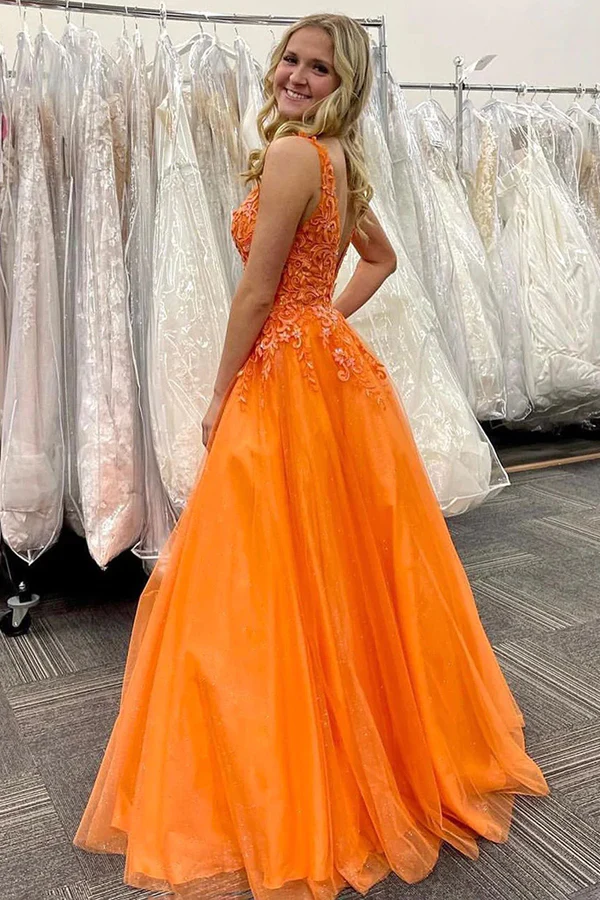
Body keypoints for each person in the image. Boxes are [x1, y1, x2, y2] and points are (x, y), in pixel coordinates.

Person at [74, 13, 549, 900]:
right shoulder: (335, 159)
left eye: (317, 68)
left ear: (344, 83)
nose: (295, 75)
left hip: (284, 375)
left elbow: (256, 292)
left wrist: (221, 391)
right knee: (343, 563)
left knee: (271, 566)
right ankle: (359, 738)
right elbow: (380, 259)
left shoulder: (296, 156)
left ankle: (304, 767)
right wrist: (324, 314)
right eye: (290, 59)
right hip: (331, 371)